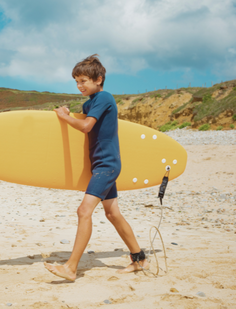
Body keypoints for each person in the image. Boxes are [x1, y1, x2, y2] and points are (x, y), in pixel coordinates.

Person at [44, 54, 148, 281]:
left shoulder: (104, 98)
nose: (79, 86)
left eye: (83, 81)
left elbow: (85, 127)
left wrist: (64, 117)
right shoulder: (89, 102)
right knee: (112, 214)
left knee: (83, 211)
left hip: (107, 165)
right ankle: (139, 259)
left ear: (99, 79)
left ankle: (71, 268)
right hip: (100, 164)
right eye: (76, 81)